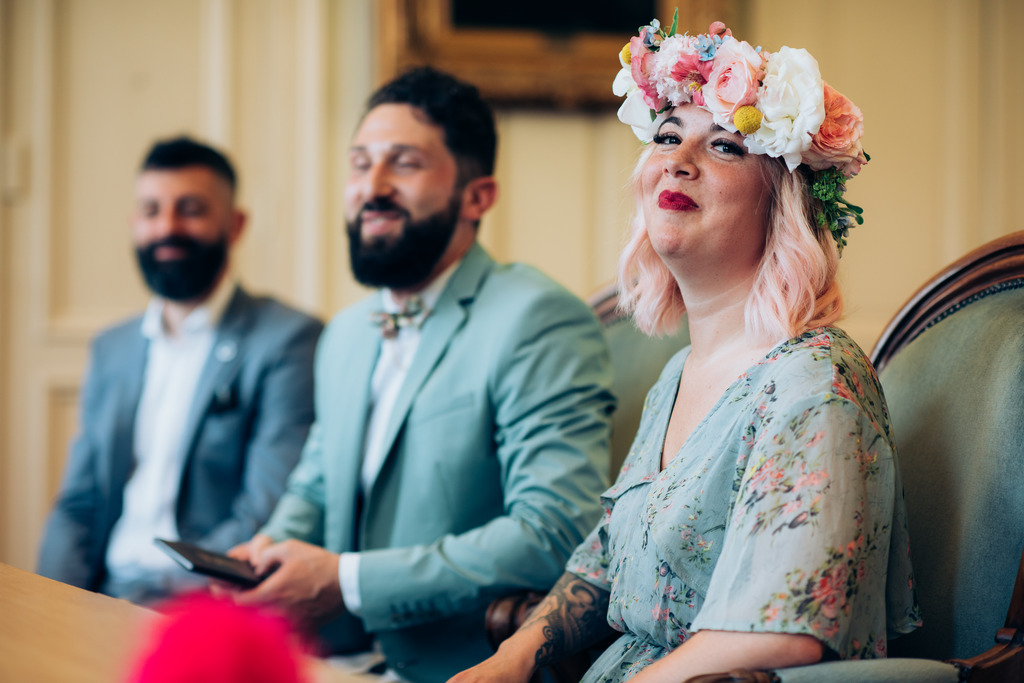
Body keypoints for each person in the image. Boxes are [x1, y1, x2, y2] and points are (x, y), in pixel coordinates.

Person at [453, 19, 922, 683]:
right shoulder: (677, 374)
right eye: (667, 136)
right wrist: (508, 660)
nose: (678, 159)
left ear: (781, 201)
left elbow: (784, 634)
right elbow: (605, 559)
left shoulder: (816, 380)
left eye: (725, 146)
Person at [219, 67, 615, 683]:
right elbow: (315, 486)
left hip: (461, 668)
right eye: (359, 163)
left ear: (477, 197)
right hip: (321, 659)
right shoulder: (345, 334)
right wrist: (263, 556)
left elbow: (554, 530)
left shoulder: (536, 318)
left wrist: (346, 581)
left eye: (403, 163)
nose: (371, 187)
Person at [37, 136, 323, 606]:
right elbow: (78, 504)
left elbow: (264, 512)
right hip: (101, 594)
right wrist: (52, 603)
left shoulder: (287, 340)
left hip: (199, 603)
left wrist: (163, 605)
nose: (167, 227)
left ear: (235, 225)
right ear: (134, 223)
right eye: (151, 211)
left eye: (191, 209)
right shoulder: (112, 348)